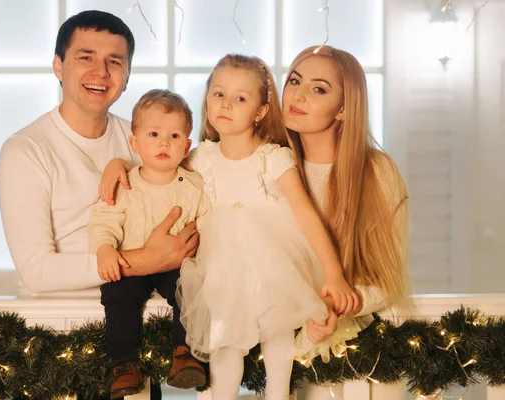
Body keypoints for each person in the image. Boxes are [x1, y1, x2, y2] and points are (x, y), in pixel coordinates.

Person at [100, 54, 361, 400]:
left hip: (269, 260)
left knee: (277, 333)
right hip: (220, 263)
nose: (226, 105)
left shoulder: (273, 157)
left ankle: (278, 394)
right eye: (218, 94)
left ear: (260, 112)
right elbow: (153, 163)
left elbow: (306, 215)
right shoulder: (201, 156)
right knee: (223, 340)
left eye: (241, 98)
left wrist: (333, 273)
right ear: (207, 99)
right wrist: (117, 163)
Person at [0, 10, 198, 300]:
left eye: (114, 62)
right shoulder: (26, 150)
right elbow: (36, 271)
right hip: (58, 324)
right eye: (85, 57)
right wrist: (147, 260)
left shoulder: (147, 141)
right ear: (58, 66)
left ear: (127, 77)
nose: (101, 72)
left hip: (152, 317)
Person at [282, 45, 410, 399]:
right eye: (295, 81)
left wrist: (334, 307)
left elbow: (388, 280)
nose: (299, 94)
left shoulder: (376, 172)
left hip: (366, 361)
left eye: (319, 88)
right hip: (287, 355)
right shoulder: (271, 167)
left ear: (343, 109)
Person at [87, 89, 209, 398]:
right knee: (117, 294)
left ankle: (184, 353)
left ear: (187, 146)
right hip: (133, 266)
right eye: (154, 134)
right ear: (135, 143)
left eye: (174, 135)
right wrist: (105, 248)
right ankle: (124, 364)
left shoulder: (194, 187)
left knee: (192, 288)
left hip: (177, 265)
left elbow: (208, 222)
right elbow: (104, 220)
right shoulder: (126, 182)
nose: (164, 142)